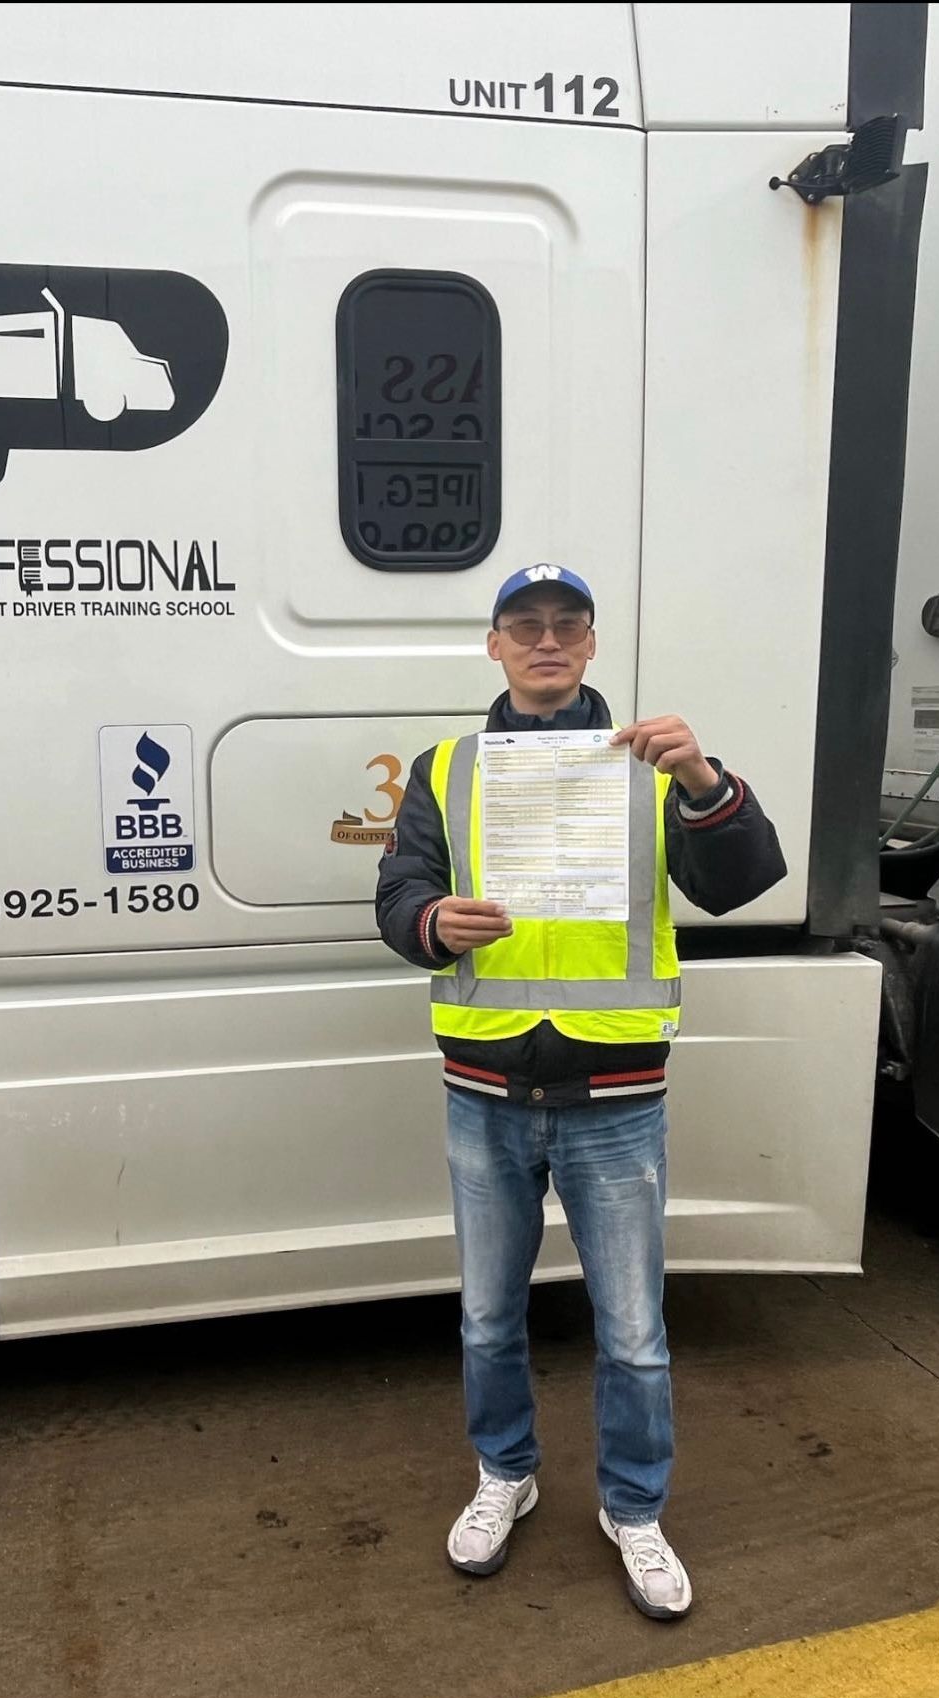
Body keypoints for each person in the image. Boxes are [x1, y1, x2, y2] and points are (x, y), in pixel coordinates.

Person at [375, 563, 786, 1620]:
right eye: (525, 626)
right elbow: (398, 891)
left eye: (566, 626)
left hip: (616, 1096)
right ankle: (504, 1475)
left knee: (634, 1329)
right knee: (484, 1318)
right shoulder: (446, 769)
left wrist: (703, 781)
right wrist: (427, 923)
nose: (545, 641)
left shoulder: (651, 764)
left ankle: (634, 1508)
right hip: (484, 1089)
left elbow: (740, 879)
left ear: (592, 645)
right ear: (495, 645)